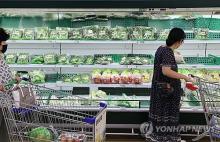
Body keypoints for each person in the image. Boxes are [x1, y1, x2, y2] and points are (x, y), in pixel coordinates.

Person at [148, 28, 194, 142]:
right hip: (167, 90)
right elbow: (166, 71)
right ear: (179, 41)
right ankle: (168, 138)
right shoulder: (168, 52)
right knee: (167, 114)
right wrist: (185, 77)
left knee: (159, 113)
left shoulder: (161, 48)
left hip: (159, 88)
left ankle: (156, 136)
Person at [0, 28, 20, 142]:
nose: (4, 45)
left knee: (5, 134)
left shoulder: (1, 57)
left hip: (6, 102)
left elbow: (5, 75)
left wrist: (14, 80)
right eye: (2, 41)